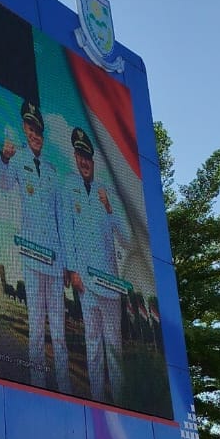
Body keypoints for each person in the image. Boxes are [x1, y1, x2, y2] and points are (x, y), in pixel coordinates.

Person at [0, 100, 70, 391]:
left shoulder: (52, 171)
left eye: (38, 130)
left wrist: (66, 264)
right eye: (30, 129)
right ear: (24, 129)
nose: (35, 135)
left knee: (59, 332)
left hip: (55, 260)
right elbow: (3, 184)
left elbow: (62, 219)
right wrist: (3, 159)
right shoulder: (17, 160)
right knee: (37, 328)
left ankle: (65, 389)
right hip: (32, 256)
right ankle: (37, 386)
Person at [63, 126, 129, 404]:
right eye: (79, 156)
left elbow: (126, 238)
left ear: (93, 159)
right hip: (85, 282)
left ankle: (121, 402)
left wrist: (110, 207)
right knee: (92, 343)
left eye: (87, 156)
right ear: (75, 157)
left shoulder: (107, 190)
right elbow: (67, 231)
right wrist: (71, 270)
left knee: (113, 345)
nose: (84, 161)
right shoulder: (69, 187)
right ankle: (97, 400)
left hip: (109, 283)